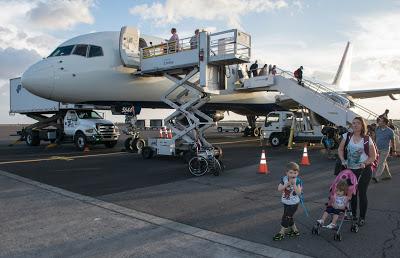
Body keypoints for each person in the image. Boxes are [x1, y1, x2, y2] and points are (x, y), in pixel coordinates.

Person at [338, 117, 376, 226]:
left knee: (362, 193)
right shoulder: (347, 136)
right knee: (352, 193)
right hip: (350, 170)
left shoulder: (367, 139)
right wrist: (342, 160)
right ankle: (353, 215)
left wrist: (365, 163)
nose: (355, 125)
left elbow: (373, 156)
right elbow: (340, 149)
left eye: (358, 123)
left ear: (362, 125)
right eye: (353, 123)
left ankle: (362, 217)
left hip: (364, 169)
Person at [273, 162, 303, 241]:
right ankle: (295, 231)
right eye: (291, 172)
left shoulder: (298, 181)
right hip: (286, 202)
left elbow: (299, 193)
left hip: (294, 203)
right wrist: (286, 185)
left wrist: (294, 185)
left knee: (286, 217)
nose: (293, 174)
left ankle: (282, 232)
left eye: (295, 173)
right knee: (289, 217)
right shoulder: (284, 179)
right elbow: (279, 189)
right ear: (286, 173)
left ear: (298, 173)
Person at [372, 116, 396, 182]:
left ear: (385, 123)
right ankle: (387, 175)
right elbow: (374, 138)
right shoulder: (377, 129)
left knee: (380, 162)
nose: (379, 122)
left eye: (381, 121)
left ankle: (376, 177)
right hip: (377, 148)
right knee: (383, 162)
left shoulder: (390, 131)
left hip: (385, 150)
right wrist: (373, 145)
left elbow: (393, 141)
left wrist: (393, 150)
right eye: (379, 121)